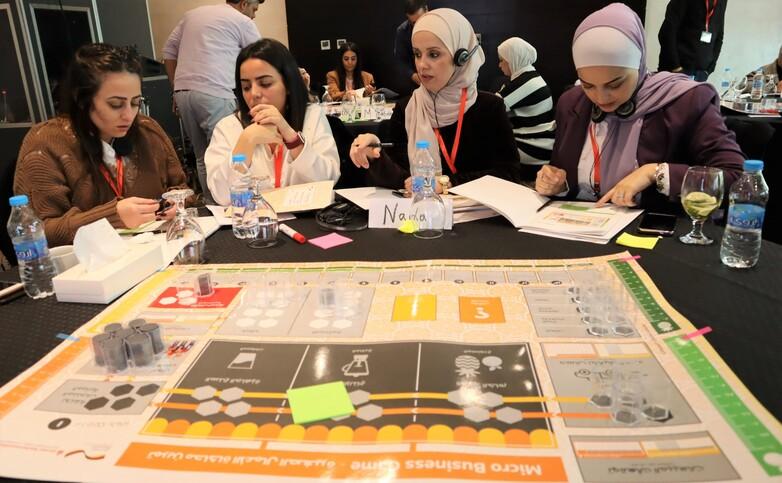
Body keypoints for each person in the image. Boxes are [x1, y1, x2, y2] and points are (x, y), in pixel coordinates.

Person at [536, 3, 743, 210]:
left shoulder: (684, 101)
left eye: (615, 84)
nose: (601, 97)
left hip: (651, 233)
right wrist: (557, 183)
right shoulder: (573, 103)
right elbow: (566, 174)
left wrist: (655, 173)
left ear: (640, 64)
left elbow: (737, 178)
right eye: (588, 85)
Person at [14, 44, 188, 247]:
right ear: (82, 99)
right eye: (115, 104)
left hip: (154, 253)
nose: (128, 115)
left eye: (135, 102)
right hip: (83, 269)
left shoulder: (147, 130)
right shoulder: (46, 144)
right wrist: (111, 217)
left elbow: (181, 188)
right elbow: (38, 232)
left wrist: (175, 204)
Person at [350, 8, 521, 191]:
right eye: (417, 54)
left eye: (434, 54)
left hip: (478, 217)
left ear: (461, 59)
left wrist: (449, 183)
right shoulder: (407, 108)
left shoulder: (489, 108)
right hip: (422, 215)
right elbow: (401, 180)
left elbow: (509, 174)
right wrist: (374, 156)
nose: (422, 65)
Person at [205, 39, 340, 206]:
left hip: (306, 223)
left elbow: (328, 180)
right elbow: (222, 196)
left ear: (288, 84)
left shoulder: (311, 116)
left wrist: (291, 137)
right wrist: (246, 141)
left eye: (265, 84)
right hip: (253, 225)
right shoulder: (228, 127)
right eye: (246, 87)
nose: (254, 94)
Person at [163, 0, 262, 204]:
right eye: (253, 9)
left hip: (184, 93)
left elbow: (168, 51)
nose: (253, 16)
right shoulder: (242, 21)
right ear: (244, 4)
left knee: (201, 156)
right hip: (215, 91)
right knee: (230, 151)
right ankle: (229, 204)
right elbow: (262, 58)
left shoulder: (192, 14)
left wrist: (175, 89)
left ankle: (211, 204)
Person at [496, 37, 555, 169]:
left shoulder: (526, 83)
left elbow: (491, 109)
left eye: (502, 60)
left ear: (513, 59)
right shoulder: (529, 78)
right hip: (537, 144)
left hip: (534, 148)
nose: (499, 65)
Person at [657, 0, 727, 82]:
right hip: (675, 71)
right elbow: (667, 32)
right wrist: (676, 67)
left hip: (701, 74)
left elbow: (719, 35)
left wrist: (709, 69)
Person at [394, 0, 428, 92]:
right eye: (413, 22)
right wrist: (413, 76)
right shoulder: (402, 31)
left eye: (421, 19)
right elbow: (400, 60)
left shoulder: (442, 25)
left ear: (427, 10)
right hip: (417, 84)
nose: (418, 25)